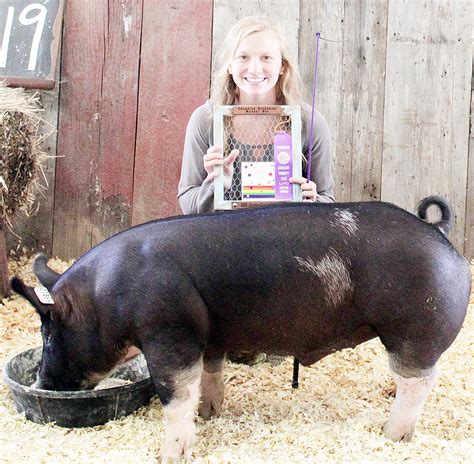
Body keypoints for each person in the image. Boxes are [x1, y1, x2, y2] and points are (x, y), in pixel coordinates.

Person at [178, 16, 335, 214]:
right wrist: (215, 186)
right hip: (224, 239)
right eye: (243, 57)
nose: (254, 69)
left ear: (282, 67)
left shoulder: (309, 122)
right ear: (229, 65)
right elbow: (187, 204)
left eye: (266, 57)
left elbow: (328, 202)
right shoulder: (205, 119)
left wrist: (312, 203)